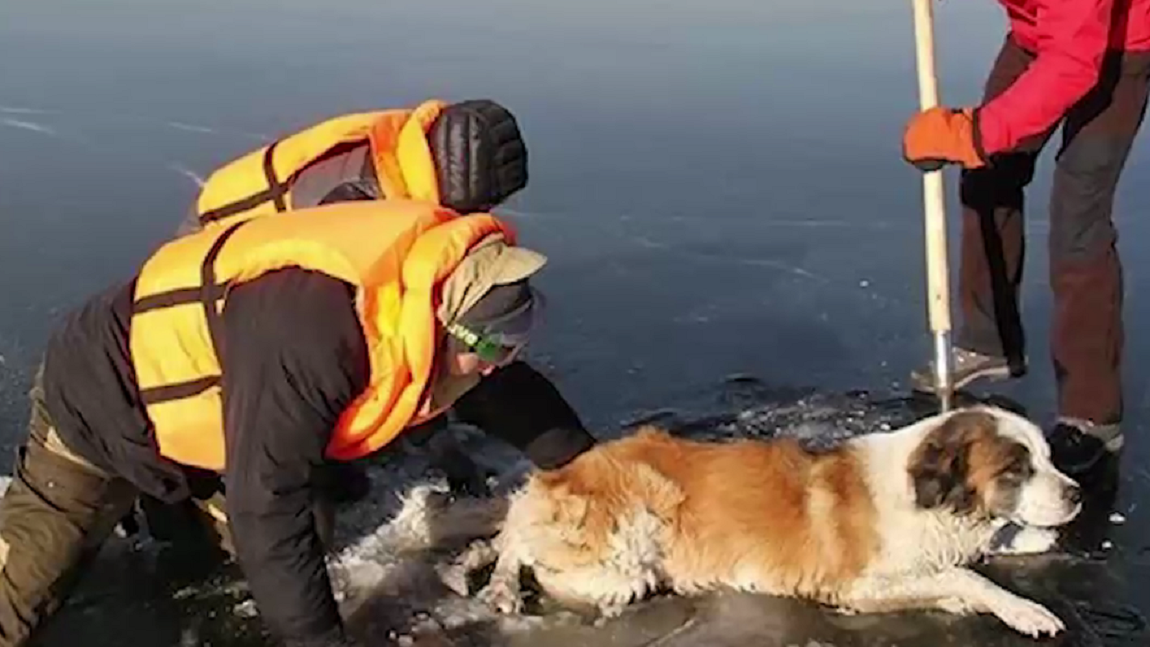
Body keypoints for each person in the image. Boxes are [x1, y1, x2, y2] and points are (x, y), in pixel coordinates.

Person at [0, 199, 598, 647]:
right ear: (446, 322)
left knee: (288, 542)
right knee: (23, 595)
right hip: (102, 404)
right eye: (494, 344)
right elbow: (268, 502)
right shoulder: (317, 339)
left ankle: (170, 511)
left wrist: (594, 468)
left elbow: (506, 392)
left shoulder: (427, 310)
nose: (505, 358)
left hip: (221, 418)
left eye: (518, 339)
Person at [129, 97, 534, 544]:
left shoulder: (410, 165)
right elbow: (388, 338)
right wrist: (441, 443)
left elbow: (416, 336)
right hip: (218, 291)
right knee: (295, 471)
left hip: (257, 281)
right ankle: (193, 504)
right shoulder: (359, 207)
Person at [900, 0, 1150, 478]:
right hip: (1036, 38)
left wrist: (973, 133)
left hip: (1118, 53)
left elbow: (1075, 61)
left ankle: (1093, 414)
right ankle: (989, 342)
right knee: (987, 179)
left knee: (1079, 222)